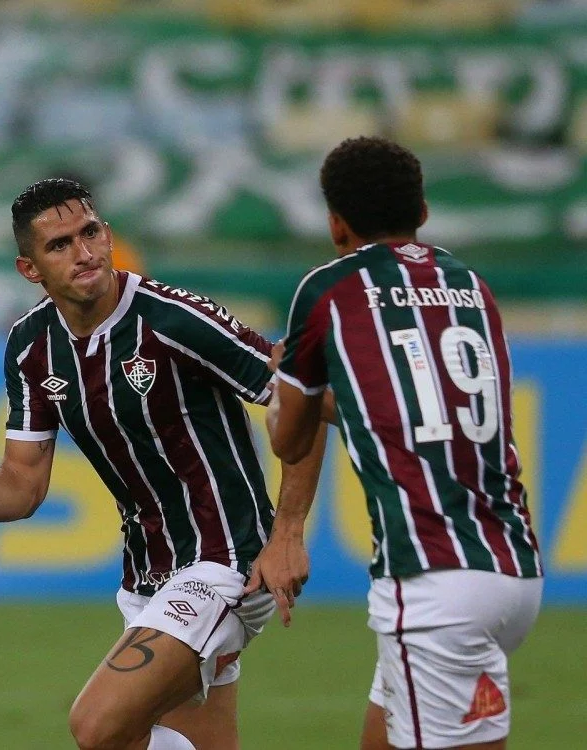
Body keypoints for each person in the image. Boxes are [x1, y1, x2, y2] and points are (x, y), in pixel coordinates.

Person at [0, 178, 327, 750]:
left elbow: (302, 400)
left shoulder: (174, 319)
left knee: (98, 724)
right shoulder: (30, 346)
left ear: (107, 234)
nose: (84, 252)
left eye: (89, 233)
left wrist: (287, 533)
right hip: (147, 575)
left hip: (228, 559)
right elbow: (22, 482)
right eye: (60, 244)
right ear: (29, 269)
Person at [264, 136, 543, 750]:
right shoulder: (471, 285)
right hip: (513, 566)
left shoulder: (328, 290)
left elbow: (290, 439)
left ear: (337, 225)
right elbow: (417, 408)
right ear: (422, 212)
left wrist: (285, 396)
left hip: (433, 578)